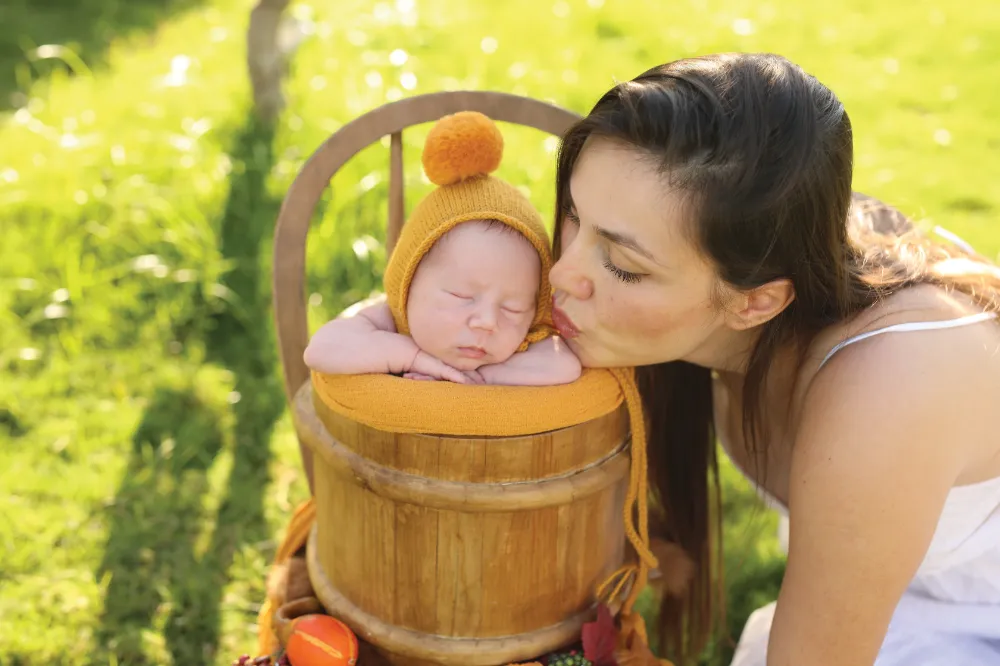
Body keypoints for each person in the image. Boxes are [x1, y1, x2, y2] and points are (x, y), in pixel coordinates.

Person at [547, 52, 1000, 665]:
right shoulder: (767, 239)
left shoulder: (889, 393)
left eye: (624, 266)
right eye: (575, 217)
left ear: (757, 302)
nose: (560, 272)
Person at [304, 110, 581, 387]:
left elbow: (564, 365)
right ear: (408, 284)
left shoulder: (524, 342)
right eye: (461, 296)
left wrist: (482, 376)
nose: (487, 322)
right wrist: (411, 357)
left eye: (514, 309)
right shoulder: (391, 319)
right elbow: (321, 350)